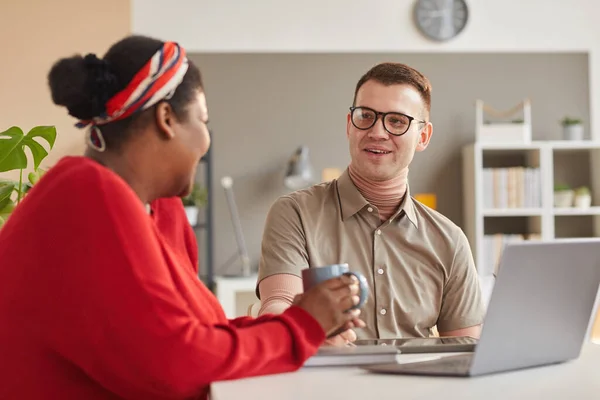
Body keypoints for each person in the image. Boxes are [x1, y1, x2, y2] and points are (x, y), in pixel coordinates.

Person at [0, 35, 365, 400]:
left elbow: (203, 335)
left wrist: (297, 323)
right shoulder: (89, 194)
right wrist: (301, 326)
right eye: (203, 120)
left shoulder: (153, 207)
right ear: (167, 118)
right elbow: (176, 364)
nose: (206, 138)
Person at [257, 62, 484, 344]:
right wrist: (302, 327)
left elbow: (466, 350)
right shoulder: (294, 214)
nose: (377, 132)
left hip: (417, 387)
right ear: (349, 125)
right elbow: (277, 306)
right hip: (325, 386)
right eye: (366, 116)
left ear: (422, 137)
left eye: (397, 121)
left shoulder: (450, 240)